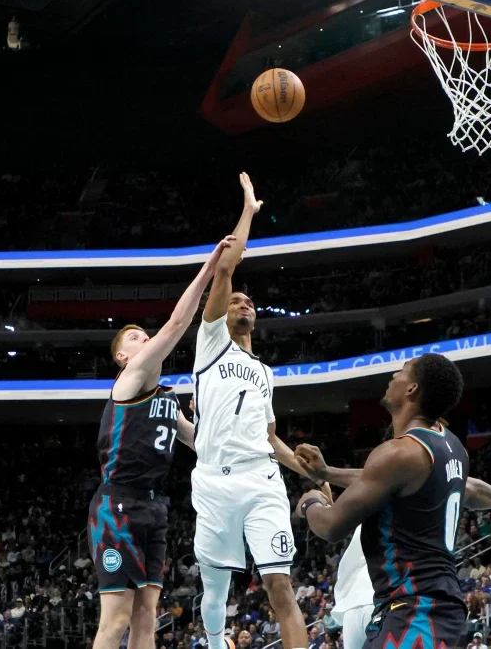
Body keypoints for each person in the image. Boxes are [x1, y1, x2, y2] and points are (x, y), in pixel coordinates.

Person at [90, 235, 235, 649]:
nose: (145, 339)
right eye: (135, 338)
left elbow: (202, 445)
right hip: (117, 505)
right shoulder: (128, 381)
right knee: (116, 618)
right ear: (123, 357)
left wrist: (210, 416)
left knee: (146, 617)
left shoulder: (167, 399)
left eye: (143, 335)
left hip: (154, 507)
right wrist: (210, 269)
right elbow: (175, 324)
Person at [191, 173, 313, 649]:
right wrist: (248, 211)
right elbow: (225, 269)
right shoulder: (211, 343)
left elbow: (270, 437)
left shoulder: (265, 372)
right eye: (236, 301)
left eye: (249, 303)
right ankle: (215, 640)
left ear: (255, 319)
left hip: (262, 479)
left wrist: (310, 471)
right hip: (214, 482)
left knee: (280, 585)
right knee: (215, 588)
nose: (243, 304)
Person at [295, 354, 480, 649]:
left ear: (412, 389)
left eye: (403, 371)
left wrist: (310, 503)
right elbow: (469, 490)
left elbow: (331, 527)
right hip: (433, 608)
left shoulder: (399, 453)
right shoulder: (453, 447)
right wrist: (328, 472)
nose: (394, 375)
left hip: (415, 611)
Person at [294, 439, 491, 649]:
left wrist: (314, 498)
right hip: (395, 602)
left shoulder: (376, 493)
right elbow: (468, 487)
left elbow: (333, 520)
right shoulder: (417, 481)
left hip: (363, 606)